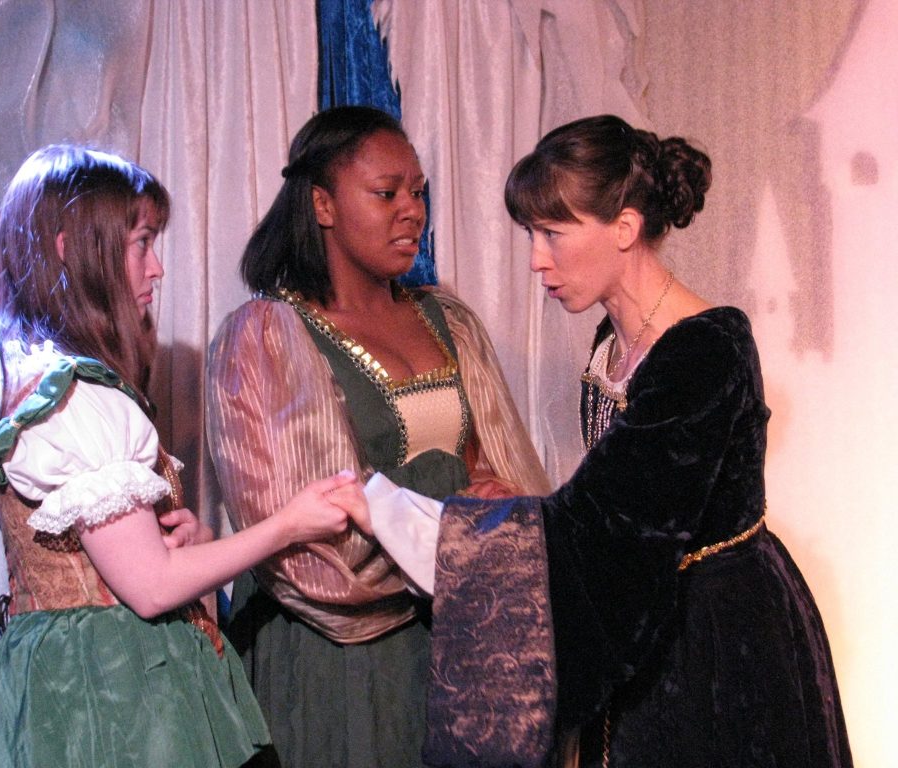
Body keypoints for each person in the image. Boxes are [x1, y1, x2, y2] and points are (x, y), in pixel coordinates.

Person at [360, 115, 853, 767]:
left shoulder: (707, 348)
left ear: (623, 227)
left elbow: (606, 521)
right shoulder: (610, 344)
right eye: (532, 234)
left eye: (553, 234)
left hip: (712, 636)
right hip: (641, 614)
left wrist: (406, 518)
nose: (537, 258)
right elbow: (612, 509)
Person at [0, 145, 365, 768]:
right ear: (73, 248)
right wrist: (289, 523)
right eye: (141, 244)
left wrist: (191, 544)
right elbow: (150, 589)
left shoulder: (33, 378)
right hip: (121, 700)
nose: (156, 269)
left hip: (71, 687)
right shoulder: (80, 398)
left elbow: (112, 564)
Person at [206, 105, 550, 767]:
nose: (411, 210)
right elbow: (302, 543)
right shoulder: (266, 337)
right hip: (340, 657)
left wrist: (488, 493)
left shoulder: (448, 321)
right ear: (322, 205)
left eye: (418, 192)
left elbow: (483, 463)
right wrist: (459, 532)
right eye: (386, 193)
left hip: (452, 639)